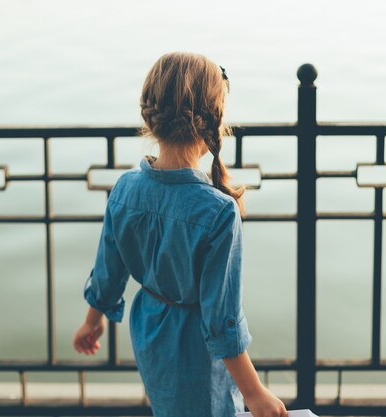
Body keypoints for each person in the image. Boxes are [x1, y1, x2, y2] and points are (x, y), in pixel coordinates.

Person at [72, 51, 288, 417]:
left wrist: (92, 322)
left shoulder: (124, 190)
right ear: (213, 122)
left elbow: (109, 271)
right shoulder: (218, 211)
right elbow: (221, 320)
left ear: (148, 116)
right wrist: (254, 393)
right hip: (195, 349)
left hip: (149, 333)